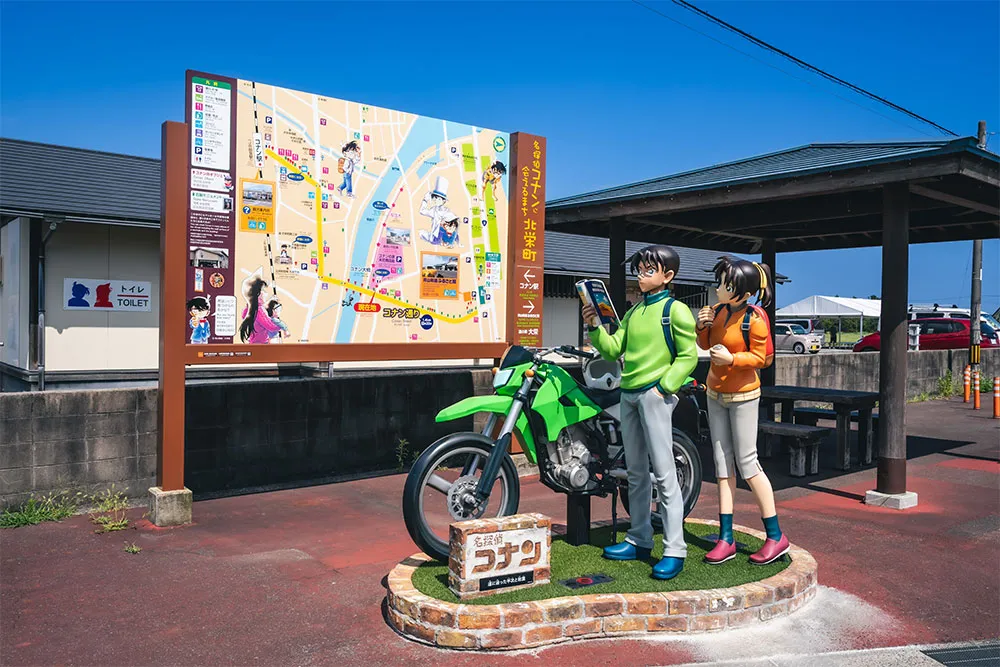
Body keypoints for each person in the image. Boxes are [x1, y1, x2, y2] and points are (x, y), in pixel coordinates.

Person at [582, 245, 698, 580]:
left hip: (653, 394)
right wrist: (594, 327)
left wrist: (665, 386)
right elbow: (613, 348)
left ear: (668, 276)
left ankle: (675, 548)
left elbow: (688, 355)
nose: (642, 275)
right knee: (635, 471)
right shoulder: (633, 313)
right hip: (628, 393)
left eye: (649, 270)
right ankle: (639, 537)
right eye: (640, 270)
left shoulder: (675, 311)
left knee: (664, 474)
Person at [696, 256, 789, 566]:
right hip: (715, 393)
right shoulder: (720, 311)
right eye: (721, 282)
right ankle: (726, 538)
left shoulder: (756, 318)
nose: (719, 288)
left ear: (743, 291)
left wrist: (732, 361)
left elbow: (763, 359)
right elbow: (707, 343)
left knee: (748, 463)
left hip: (744, 395)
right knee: (722, 465)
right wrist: (701, 327)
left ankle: (775, 536)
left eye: (726, 284)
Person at [239, 276, 282, 344]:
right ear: (258, 294)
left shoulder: (250, 308)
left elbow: (244, 316)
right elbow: (271, 327)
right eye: (263, 291)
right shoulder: (259, 311)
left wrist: (269, 302)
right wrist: (279, 323)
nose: (266, 293)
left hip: (254, 342)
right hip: (261, 344)